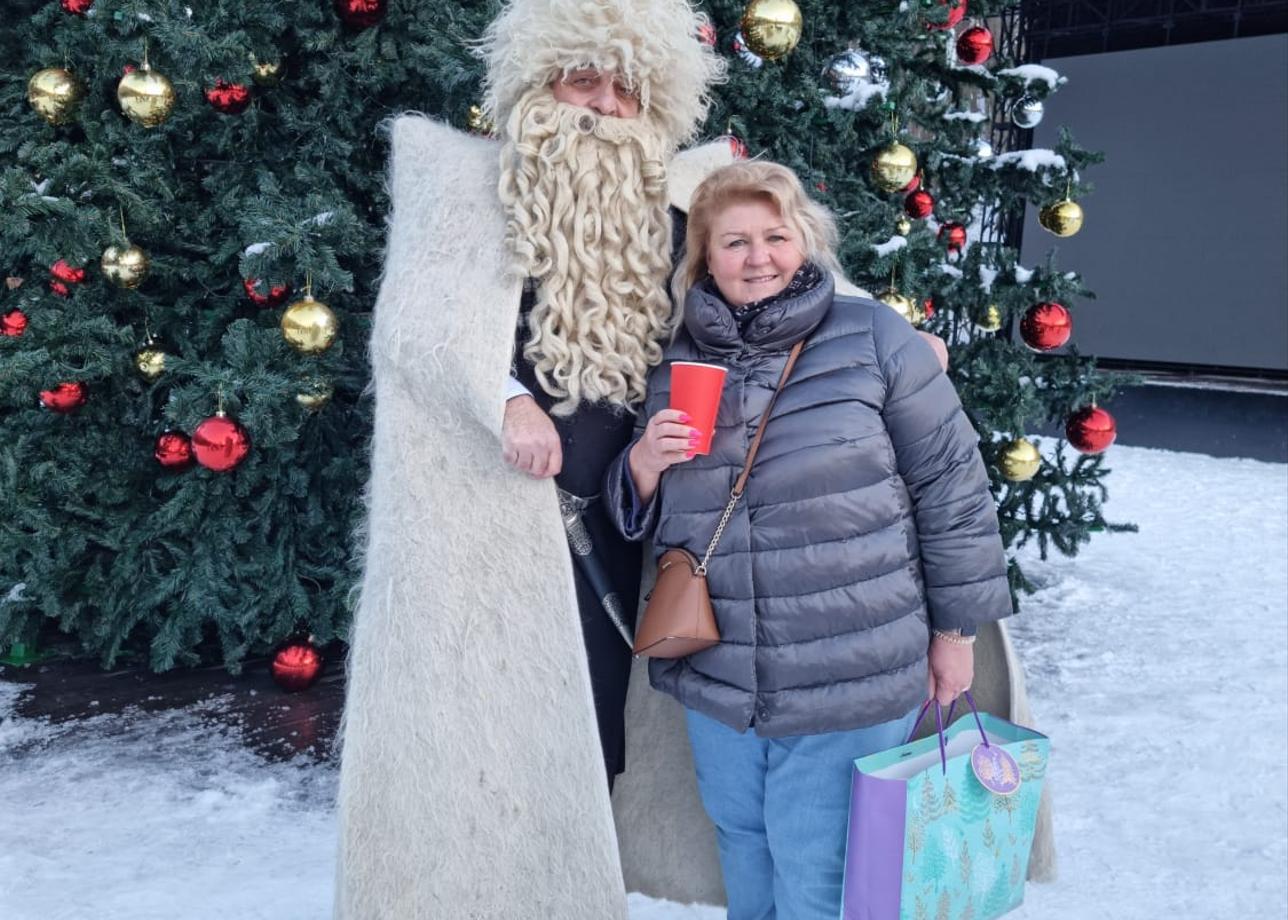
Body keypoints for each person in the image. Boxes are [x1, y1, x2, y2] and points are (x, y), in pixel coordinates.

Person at [333, 1, 730, 917]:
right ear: (536, 82)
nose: (600, 105)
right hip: (497, 511)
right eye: (579, 79)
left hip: (630, 507)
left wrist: (895, 344)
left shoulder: (686, 201)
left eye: (624, 88)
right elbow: (416, 329)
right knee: (493, 728)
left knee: (605, 718)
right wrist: (504, 396)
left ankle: (578, 891)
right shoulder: (470, 189)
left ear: (657, 100)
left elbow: (778, 272)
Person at [603, 161, 1014, 919]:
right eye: (734, 242)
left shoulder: (874, 338)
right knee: (742, 844)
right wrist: (644, 465)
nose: (757, 257)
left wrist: (956, 631)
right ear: (703, 257)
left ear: (806, 242)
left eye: (775, 236)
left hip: (848, 665)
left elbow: (953, 490)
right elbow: (642, 521)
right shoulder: (674, 360)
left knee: (818, 868)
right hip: (719, 670)